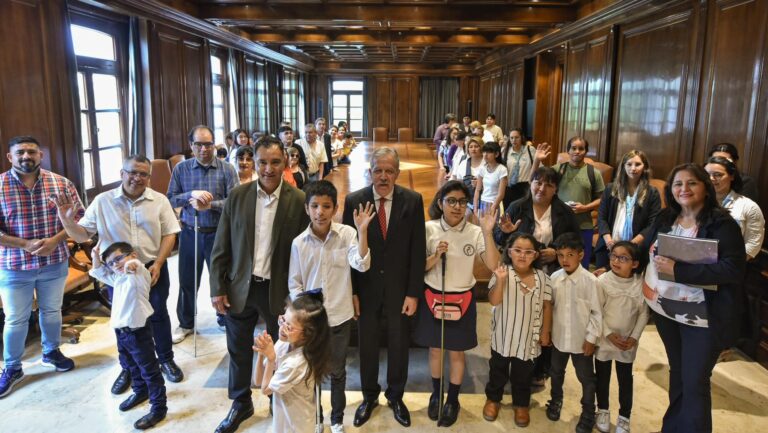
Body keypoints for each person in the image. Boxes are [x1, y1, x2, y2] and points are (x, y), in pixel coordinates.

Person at [53, 154, 184, 390]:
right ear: (122, 173)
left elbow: (170, 233)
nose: (137, 178)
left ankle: (166, 360)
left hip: (152, 267)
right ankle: (129, 368)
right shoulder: (103, 201)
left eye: (143, 173)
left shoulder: (159, 200)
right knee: (123, 322)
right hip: (118, 274)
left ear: (149, 177)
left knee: (158, 315)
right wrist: (66, 220)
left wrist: (159, 263)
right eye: (132, 172)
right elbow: (82, 235)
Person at [209, 137, 309, 433]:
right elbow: (221, 246)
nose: (268, 168)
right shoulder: (237, 197)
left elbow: (303, 251)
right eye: (262, 162)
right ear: (254, 162)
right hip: (240, 286)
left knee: (283, 348)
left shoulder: (299, 200)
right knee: (238, 348)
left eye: (275, 162)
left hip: (278, 290)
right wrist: (217, 287)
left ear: (286, 163)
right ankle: (240, 402)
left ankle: (276, 396)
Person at [643, 163, 746, 433]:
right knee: (677, 375)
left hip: (703, 317)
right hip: (666, 311)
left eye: (692, 183)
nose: (683, 189)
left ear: (705, 187)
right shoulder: (667, 217)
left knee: (695, 381)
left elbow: (733, 269)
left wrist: (679, 271)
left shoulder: (722, 224)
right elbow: (647, 249)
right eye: (678, 184)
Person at [342, 147, 426, 428]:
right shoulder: (355, 200)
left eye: (390, 171)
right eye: (378, 170)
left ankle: (396, 396)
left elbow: (417, 251)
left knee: (399, 344)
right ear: (370, 172)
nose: (384, 176)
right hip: (365, 290)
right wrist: (352, 292)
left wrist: (414, 292)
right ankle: (368, 397)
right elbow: (349, 251)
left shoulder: (412, 201)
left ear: (398, 174)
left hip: (400, 290)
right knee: (366, 345)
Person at [0, 136, 84, 398]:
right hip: (14, 265)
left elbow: (81, 219)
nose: (27, 156)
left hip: (53, 261)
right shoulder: (0, 186)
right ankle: (13, 368)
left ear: (41, 155)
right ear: (10, 157)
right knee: (15, 319)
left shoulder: (60, 183)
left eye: (32, 152)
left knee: (51, 312)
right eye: (20, 152)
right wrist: (23, 244)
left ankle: (51, 352)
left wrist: (55, 241)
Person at [288, 181, 374, 433]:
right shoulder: (299, 243)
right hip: (312, 321)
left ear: (335, 208)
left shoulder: (347, 234)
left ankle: (336, 419)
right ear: (307, 208)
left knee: (337, 372)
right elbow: (295, 282)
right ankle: (317, 418)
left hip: (339, 316)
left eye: (326, 206)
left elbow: (362, 264)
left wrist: (363, 231)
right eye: (315, 206)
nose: (320, 212)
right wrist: (303, 310)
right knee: (312, 373)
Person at [414, 181, 500, 427]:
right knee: (434, 350)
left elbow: (494, 265)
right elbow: (418, 267)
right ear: (440, 203)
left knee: (457, 352)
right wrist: (435, 256)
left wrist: (487, 232)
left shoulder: (474, 232)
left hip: (462, 297)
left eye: (462, 202)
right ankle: (435, 393)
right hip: (433, 296)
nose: (457, 207)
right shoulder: (428, 228)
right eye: (451, 201)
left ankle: (452, 398)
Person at [168, 125, 239, 341]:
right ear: (191, 146)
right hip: (191, 232)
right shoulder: (182, 169)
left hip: (218, 233)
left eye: (208, 144)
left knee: (222, 279)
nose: (204, 149)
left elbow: (235, 202)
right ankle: (186, 322)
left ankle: (224, 317)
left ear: (214, 145)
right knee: (188, 280)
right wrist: (190, 195)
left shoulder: (227, 169)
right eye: (198, 144)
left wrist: (211, 205)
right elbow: (170, 198)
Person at [89, 242, 167, 430]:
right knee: (130, 365)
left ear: (132, 255)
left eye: (118, 259)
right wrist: (95, 257)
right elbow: (99, 272)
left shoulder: (138, 274)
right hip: (121, 332)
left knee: (150, 370)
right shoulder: (118, 278)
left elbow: (136, 266)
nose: (115, 265)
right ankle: (140, 391)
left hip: (138, 332)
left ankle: (158, 408)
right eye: (111, 263)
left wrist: (131, 264)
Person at [483, 233, 553, 427]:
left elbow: (547, 306)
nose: (522, 255)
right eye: (517, 251)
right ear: (509, 252)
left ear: (536, 255)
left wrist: (545, 331)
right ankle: (493, 398)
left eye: (528, 252)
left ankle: (521, 403)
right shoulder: (502, 272)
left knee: (523, 375)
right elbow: (494, 301)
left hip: (528, 339)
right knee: (498, 370)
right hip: (503, 336)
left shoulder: (543, 278)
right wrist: (501, 281)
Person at [546, 232, 602, 433]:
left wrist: (591, 338)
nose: (564, 260)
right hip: (559, 339)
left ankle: (588, 412)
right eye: (560, 255)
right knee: (556, 372)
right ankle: (555, 400)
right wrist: (548, 332)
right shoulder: (554, 278)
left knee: (586, 378)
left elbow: (597, 313)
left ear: (581, 255)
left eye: (570, 255)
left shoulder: (591, 282)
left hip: (581, 341)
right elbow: (550, 308)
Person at [252, 292, 331, 433]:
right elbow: (258, 381)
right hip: (284, 418)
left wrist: (270, 359)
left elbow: (265, 390)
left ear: (307, 334)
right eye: (283, 320)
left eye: (289, 326)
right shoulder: (285, 343)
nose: (282, 328)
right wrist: (261, 352)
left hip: (297, 424)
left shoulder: (297, 364)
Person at [594, 241, 648, 433]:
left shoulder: (640, 283)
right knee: (602, 377)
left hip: (627, 343)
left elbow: (643, 313)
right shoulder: (602, 281)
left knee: (625, 378)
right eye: (613, 256)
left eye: (623, 258)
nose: (616, 261)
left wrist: (634, 337)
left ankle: (624, 415)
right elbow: (596, 311)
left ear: (634, 263)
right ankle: (602, 409)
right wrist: (608, 334)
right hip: (604, 340)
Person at [595, 150, 661, 271]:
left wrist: (631, 245)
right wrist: (609, 241)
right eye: (629, 164)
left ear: (644, 167)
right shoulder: (610, 189)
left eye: (638, 164)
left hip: (636, 250)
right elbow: (602, 217)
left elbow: (653, 224)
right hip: (608, 247)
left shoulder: (652, 193)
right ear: (623, 166)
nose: (633, 168)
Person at [552, 137, 605, 268]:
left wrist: (585, 207)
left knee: (582, 265)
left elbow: (603, 200)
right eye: (573, 148)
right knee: (559, 265)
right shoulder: (557, 170)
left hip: (584, 226)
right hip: (559, 225)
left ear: (586, 151)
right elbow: (535, 183)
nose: (577, 151)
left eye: (581, 148)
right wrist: (536, 160)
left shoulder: (594, 173)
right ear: (568, 151)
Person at [704, 157, 764, 260]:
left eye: (718, 175)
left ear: (732, 176)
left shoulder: (748, 206)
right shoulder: (693, 202)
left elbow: (753, 244)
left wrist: (730, 264)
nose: (711, 178)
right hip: (696, 264)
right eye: (706, 175)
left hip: (729, 267)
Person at [501, 128, 538, 207]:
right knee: (509, 213)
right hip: (509, 187)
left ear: (522, 137)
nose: (514, 140)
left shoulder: (530, 150)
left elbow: (538, 168)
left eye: (517, 137)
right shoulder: (505, 151)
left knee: (524, 211)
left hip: (525, 186)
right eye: (512, 138)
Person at [473, 142, 507, 213]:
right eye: (484, 152)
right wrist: (475, 208)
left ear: (496, 154)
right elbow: (477, 190)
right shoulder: (482, 168)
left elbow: (501, 194)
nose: (485, 155)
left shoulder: (502, 169)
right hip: (483, 202)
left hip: (495, 203)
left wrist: (493, 207)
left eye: (488, 152)